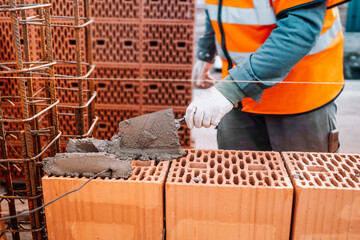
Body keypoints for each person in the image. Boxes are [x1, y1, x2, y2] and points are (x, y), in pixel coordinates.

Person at [185, 0, 348, 152]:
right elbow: (219, 7)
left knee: (303, 177)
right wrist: (207, 50)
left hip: (300, 96)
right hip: (240, 93)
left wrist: (229, 90)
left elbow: (297, 31)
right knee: (238, 177)